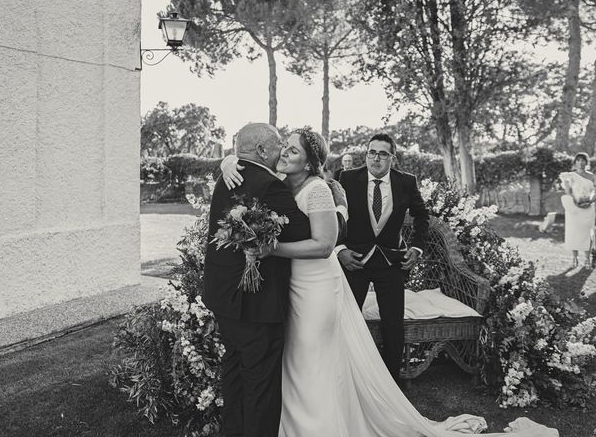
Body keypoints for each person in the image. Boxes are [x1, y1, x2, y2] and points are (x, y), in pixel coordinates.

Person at [221, 128, 557, 437]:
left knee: (320, 354)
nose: (284, 152)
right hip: (301, 284)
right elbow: (249, 164)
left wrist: (273, 248)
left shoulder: (322, 188)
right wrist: (227, 161)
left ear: (310, 160)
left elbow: (326, 241)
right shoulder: (283, 181)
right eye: (284, 147)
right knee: (297, 357)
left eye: (292, 149)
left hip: (329, 283)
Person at [203, 123, 311, 437]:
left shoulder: (227, 176)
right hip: (256, 305)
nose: (282, 151)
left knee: (235, 372)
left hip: (223, 298)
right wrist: (339, 207)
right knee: (260, 387)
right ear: (263, 150)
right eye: (279, 144)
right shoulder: (269, 185)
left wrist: (225, 160)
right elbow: (304, 232)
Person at [336, 133, 428, 382]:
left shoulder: (406, 182)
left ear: (392, 158)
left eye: (382, 153)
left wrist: (417, 249)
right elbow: (334, 216)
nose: (376, 158)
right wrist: (340, 249)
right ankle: (347, 376)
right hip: (355, 260)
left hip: (391, 261)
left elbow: (422, 216)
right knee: (347, 320)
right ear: (366, 155)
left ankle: (390, 382)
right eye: (371, 152)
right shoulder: (347, 178)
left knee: (393, 325)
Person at [560, 152, 596, 267]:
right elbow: (568, 192)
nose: (581, 163)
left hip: (588, 207)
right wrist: (576, 201)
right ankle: (574, 259)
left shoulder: (592, 176)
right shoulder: (570, 175)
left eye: (583, 160)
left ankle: (587, 259)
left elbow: (595, 191)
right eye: (578, 160)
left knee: (588, 234)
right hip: (574, 208)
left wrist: (590, 200)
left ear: (586, 162)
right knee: (573, 233)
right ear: (575, 162)